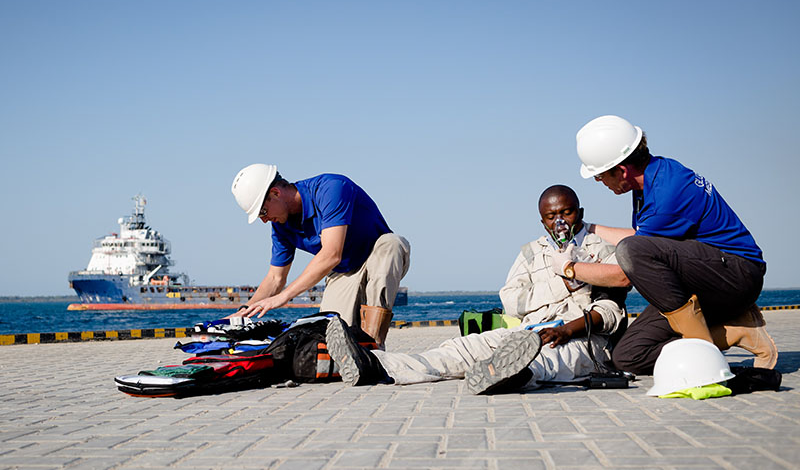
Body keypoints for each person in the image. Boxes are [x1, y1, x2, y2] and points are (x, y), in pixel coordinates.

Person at [325, 185, 629, 394]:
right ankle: (375, 365)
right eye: (551, 216)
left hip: (579, 337)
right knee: (459, 349)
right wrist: (561, 281)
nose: (560, 222)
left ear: (580, 211)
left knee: (548, 361)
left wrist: (566, 330)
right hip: (527, 331)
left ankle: (511, 375)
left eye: (567, 213)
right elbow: (511, 300)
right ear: (542, 220)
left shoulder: (601, 250)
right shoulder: (530, 252)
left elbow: (611, 312)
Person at [567, 115, 776, 374]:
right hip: (703, 280)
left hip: (737, 276)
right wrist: (589, 228)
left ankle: (703, 357)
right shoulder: (654, 178)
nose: (601, 183)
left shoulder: (668, 192)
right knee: (629, 356)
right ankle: (737, 332)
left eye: (600, 176)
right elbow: (643, 237)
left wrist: (569, 268)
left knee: (632, 250)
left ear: (621, 170)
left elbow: (628, 265)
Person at [229, 164, 411, 348]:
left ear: (275, 193)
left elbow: (332, 254)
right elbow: (275, 278)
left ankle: (375, 348)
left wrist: (283, 297)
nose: (263, 220)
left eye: (262, 212)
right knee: (335, 342)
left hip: (377, 256)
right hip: (343, 272)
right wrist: (244, 311)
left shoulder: (331, 188)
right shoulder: (280, 225)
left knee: (391, 244)